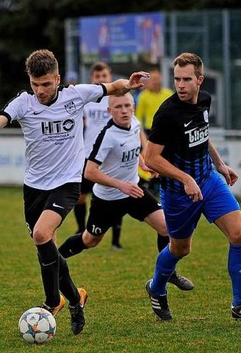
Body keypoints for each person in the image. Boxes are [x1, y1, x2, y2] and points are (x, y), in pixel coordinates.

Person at [0, 49, 146, 335]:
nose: (40, 91)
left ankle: (53, 300)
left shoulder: (75, 95)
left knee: (42, 235)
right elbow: (1, 117)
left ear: (58, 79)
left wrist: (129, 83)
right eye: (35, 84)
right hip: (34, 187)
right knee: (46, 245)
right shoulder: (24, 103)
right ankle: (76, 300)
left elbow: (111, 87)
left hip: (67, 183)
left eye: (46, 84)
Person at [144, 52, 241, 324]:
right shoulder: (167, 113)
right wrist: (185, 179)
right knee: (180, 249)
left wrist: (220, 164)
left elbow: (202, 134)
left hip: (209, 181)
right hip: (177, 193)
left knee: (239, 234)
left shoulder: (205, 100)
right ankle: (156, 287)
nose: (181, 85)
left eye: (187, 79)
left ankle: (240, 304)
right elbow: (151, 158)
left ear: (200, 79)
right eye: (177, 79)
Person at [58, 92, 195, 292]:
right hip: (107, 199)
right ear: (109, 111)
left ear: (133, 107)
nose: (124, 110)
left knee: (167, 228)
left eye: (127, 106)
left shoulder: (136, 123)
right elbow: (90, 172)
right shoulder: (107, 136)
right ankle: (54, 261)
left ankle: (168, 274)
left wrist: (143, 162)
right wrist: (119, 184)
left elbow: (138, 148)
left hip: (134, 192)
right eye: (118, 107)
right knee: (90, 240)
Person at [74, 61, 125, 250]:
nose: (101, 79)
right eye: (97, 77)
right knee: (80, 196)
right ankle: (81, 230)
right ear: (92, 79)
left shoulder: (117, 99)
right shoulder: (87, 100)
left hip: (112, 157)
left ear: (109, 77)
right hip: (88, 156)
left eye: (104, 76)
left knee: (116, 197)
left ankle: (115, 240)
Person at [135, 68, 173, 136]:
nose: (155, 82)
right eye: (153, 79)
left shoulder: (169, 94)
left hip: (167, 128)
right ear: (149, 80)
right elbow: (139, 116)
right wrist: (140, 133)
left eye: (156, 79)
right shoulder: (143, 96)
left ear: (161, 79)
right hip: (150, 129)